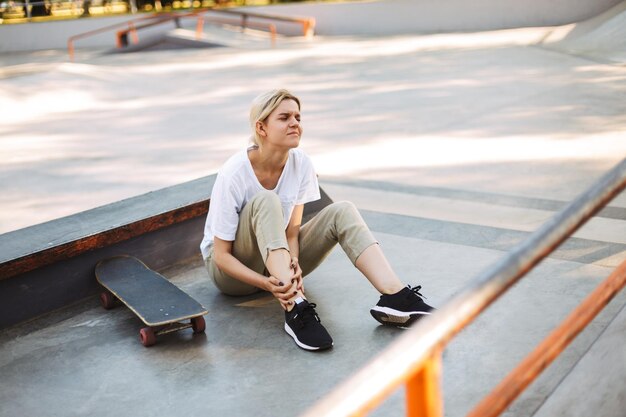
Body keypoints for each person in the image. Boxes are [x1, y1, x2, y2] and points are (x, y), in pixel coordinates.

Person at [200, 89, 434, 351]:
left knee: (342, 209)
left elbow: (291, 233)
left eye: (298, 117)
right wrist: (266, 283)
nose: (295, 123)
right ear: (261, 127)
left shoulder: (301, 164)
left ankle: (395, 296)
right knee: (266, 200)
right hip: (234, 276)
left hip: (276, 269)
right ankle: (296, 308)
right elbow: (221, 255)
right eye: (284, 117)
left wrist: (293, 263)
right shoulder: (235, 173)